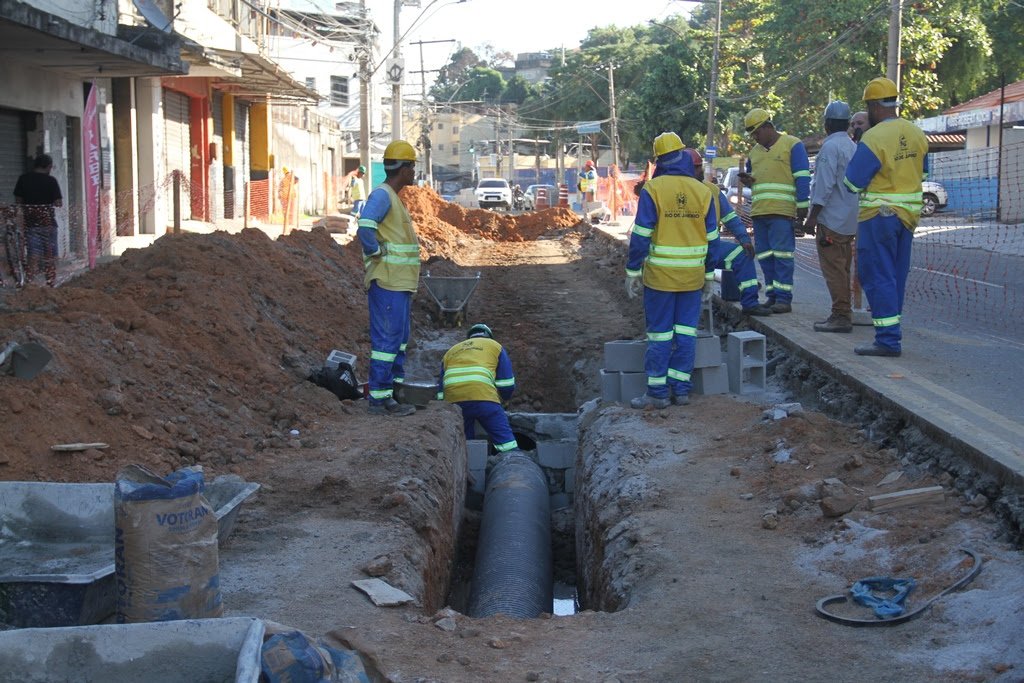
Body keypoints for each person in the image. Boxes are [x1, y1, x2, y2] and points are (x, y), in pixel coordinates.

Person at [625, 132, 718, 409]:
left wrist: (632, 271)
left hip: (660, 279)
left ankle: (657, 393)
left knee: (660, 335)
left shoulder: (653, 191)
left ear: (659, 161)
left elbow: (641, 236)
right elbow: (713, 239)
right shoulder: (703, 192)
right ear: (683, 155)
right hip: (692, 278)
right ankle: (681, 390)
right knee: (686, 334)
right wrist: (709, 276)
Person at [843, 77, 928, 357]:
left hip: (878, 217)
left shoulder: (874, 137)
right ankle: (892, 334)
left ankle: (888, 340)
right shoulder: (917, 133)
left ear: (874, 106)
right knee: (895, 275)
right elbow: (923, 175)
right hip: (908, 217)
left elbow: (853, 183)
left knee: (877, 275)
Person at [356, 140, 421, 416]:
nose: (414, 172)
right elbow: (365, 227)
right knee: (386, 343)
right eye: (412, 166)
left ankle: (392, 394)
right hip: (388, 282)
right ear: (403, 168)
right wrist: (375, 251)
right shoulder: (382, 196)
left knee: (399, 341)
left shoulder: (393, 198)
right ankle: (379, 401)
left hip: (400, 284)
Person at [739, 108, 811, 313]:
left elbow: (802, 177)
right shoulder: (754, 153)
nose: (755, 137)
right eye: (752, 134)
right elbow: (757, 181)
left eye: (756, 132)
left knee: (783, 256)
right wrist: (748, 181)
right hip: (760, 212)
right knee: (765, 256)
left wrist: (802, 208)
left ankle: (783, 299)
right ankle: (772, 296)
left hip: (782, 212)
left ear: (768, 127)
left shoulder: (792, 145)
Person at [684, 149, 772, 317]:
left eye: (699, 166)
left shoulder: (712, 190)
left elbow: (730, 217)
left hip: (709, 249)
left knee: (742, 254)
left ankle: (750, 303)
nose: (700, 170)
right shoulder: (676, 192)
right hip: (686, 254)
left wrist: (744, 239)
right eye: (696, 168)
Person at [803, 101, 860, 333]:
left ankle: (841, 315)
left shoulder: (829, 148)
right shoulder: (853, 146)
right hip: (849, 220)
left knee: (834, 270)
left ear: (826, 124)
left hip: (831, 220)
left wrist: (812, 217)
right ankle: (844, 311)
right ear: (847, 124)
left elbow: (824, 186)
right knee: (844, 268)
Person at [437, 323, 519, 453]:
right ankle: (514, 463)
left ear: (469, 337)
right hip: (484, 398)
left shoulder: (451, 351)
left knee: (465, 445)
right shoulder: (495, 346)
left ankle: (470, 468)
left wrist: (446, 406)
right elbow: (506, 383)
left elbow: (441, 390)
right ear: (489, 337)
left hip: (454, 402)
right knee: (506, 442)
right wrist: (505, 399)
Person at [14, 153, 63, 287]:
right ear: (48, 167)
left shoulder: (23, 179)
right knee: (50, 256)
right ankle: (51, 283)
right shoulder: (51, 181)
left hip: (31, 225)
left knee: (33, 255)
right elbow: (58, 203)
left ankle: (30, 284)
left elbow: (18, 201)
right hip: (49, 224)